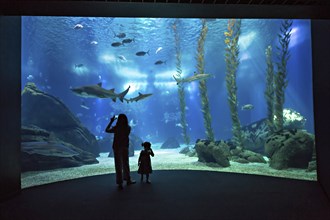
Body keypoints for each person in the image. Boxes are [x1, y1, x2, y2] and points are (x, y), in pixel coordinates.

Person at [105, 114, 136, 190]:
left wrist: (111, 122)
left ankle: (120, 183)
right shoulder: (128, 127)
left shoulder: (116, 128)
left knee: (118, 165)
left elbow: (107, 130)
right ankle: (128, 180)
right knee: (125, 164)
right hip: (124, 147)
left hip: (117, 147)